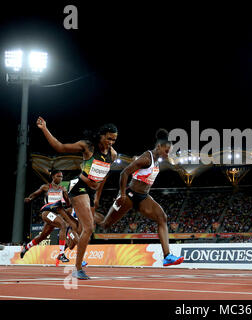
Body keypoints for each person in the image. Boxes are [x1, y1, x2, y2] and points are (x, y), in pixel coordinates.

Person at [37, 116, 118, 279]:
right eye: (109, 138)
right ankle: (78, 269)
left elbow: (104, 177)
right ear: (101, 135)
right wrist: (44, 128)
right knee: (89, 228)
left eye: (114, 140)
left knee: (83, 230)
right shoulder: (88, 146)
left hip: (92, 191)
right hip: (80, 187)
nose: (111, 142)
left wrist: (97, 196)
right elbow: (60, 147)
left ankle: (65, 225)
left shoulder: (112, 154)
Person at [97, 129, 184, 266]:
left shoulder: (156, 160)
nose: (168, 154)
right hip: (130, 195)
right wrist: (123, 194)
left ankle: (167, 256)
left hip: (143, 197)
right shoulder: (146, 158)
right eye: (167, 151)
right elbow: (124, 173)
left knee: (162, 217)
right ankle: (89, 215)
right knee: (105, 225)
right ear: (159, 147)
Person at [21, 170, 79, 264]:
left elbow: (68, 204)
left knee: (42, 236)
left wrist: (65, 194)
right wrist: (29, 198)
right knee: (63, 225)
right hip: (47, 212)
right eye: (58, 176)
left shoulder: (62, 189)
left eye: (61, 177)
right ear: (53, 177)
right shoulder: (46, 187)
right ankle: (61, 254)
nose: (60, 178)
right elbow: (35, 194)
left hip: (55, 215)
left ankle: (26, 247)